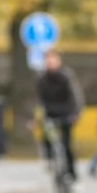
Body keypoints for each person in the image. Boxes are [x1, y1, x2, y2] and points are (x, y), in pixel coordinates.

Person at [35, 50, 83, 182]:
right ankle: (50, 159)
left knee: (67, 145)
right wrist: (33, 117)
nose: (50, 63)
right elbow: (37, 99)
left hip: (66, 112)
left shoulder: (66, 76)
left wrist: (76, 113)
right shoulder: (42, 78)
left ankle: (72, 174)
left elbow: (75, 96)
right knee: (46, 135)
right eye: (48, 61)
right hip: (50, 112)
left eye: (53, 60)